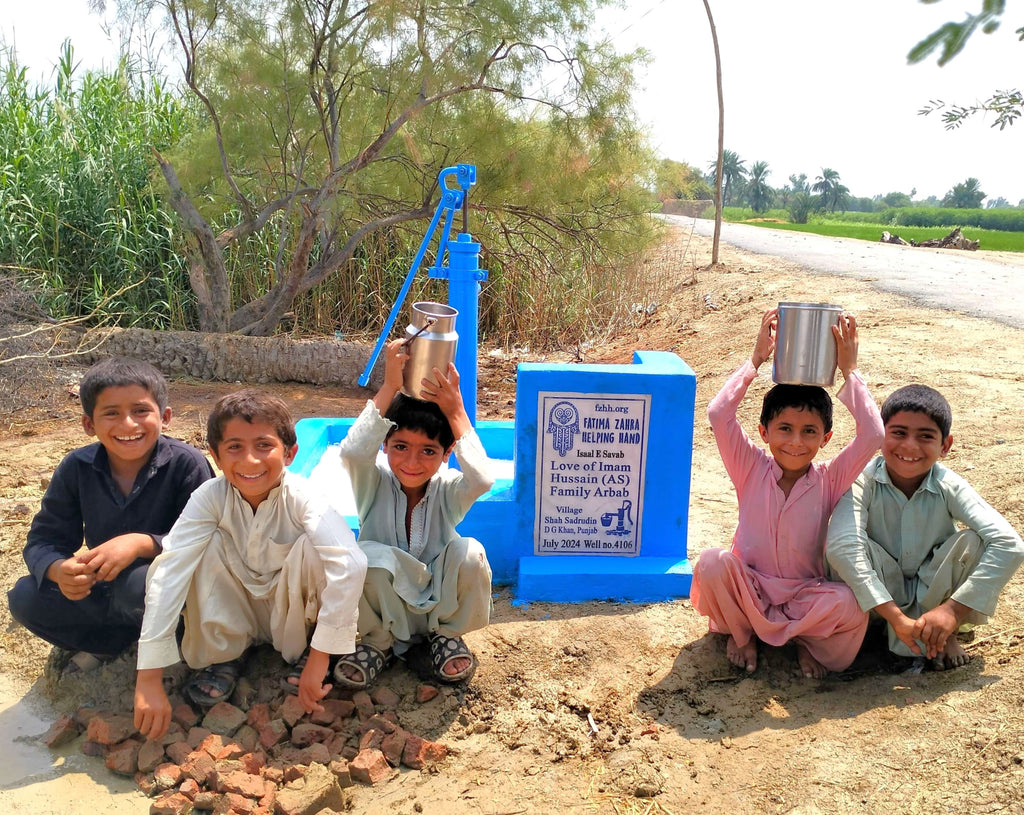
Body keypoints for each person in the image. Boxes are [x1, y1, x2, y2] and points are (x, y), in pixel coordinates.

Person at [133, 390, 367, 740]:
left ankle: (309, 653)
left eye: (263, 446)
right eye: (234, 448)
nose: (250, 461)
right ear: (215, 455)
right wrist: (148, 676)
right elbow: (170, 572)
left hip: (293, 616)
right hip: (238, 608)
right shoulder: (209, 498)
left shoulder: (304, 498)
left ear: (290, 453)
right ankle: (224, 654)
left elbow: (351, 564)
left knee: (317, 548)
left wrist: (321, 655)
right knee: (186, 552)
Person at [690, 307, 884, 678]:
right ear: (764, 432)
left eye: (809, 431)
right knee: (712, 563)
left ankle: (801, 641)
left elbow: (873, 434)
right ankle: (745, 635)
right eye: (785, 429)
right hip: (750, 589)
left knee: (849, 605)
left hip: (803, 597)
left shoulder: (830, 478)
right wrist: (756, 360)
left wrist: (849, 369)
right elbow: (718, 414)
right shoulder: (750, 467)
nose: (796, 442)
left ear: (826, 438)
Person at [7, 357, 213, 677]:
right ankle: (110, 645)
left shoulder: (187, 465)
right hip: (104, 585)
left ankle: (174, 643)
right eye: (111, 413)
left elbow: (206, 540)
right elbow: (45, 538)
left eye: (141, 411)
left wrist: (142, 543)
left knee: (137, 586)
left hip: (166, 590)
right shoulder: (76, 468)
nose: (128, 424)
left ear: (165, 417)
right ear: (89, 425)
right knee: (25, 598)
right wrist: (58, 569)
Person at [332, 339, 495, 689]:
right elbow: (351, 452)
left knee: (470, 553)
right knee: (360, 557)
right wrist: (391, 385)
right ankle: (378, 644)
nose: (411, 462)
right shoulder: (373, 483)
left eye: (428, 451)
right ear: (384, 444)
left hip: (438, 606)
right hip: (388, 611)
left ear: (446, 452)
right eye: (400, 447)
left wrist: (456, 412)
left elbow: (482, 478)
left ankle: (445, 637)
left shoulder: (449, 489)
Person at [826, 384, 1024, 670]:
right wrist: (896, 617)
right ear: (880, 436)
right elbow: (842, 547)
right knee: (846, 548)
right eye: (898, 433)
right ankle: (885, 629)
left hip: (933, 592)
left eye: (925, 436)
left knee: (973, 543)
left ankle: (945, 630)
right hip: (880, 593)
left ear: (945, 445)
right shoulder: (862, 480)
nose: (909, 446)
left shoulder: (948, 484)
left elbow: (1010, 545)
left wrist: (952, 611)